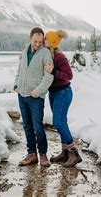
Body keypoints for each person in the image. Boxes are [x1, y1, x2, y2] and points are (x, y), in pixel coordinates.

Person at [14, 27, 54, 167]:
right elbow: (20, 70)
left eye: (40, 41)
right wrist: (16, 85)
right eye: (35, 41)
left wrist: (37, 91)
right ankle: (32, 154)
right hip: (22, 95)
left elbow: (49, 77)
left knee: (38, 126)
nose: (38, 44)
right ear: (30, 38)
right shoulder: (25, 52)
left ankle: (43, 154)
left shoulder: (45, 53)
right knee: (27, 126)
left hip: (36, 97)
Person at [43, 30, 82, 167]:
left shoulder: (59, 57)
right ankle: (65, 152)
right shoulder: (47, 54)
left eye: (45, 39)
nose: (43, 40)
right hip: (53, 93)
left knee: (58, 123)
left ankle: (74, 153)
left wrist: (52, 71)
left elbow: (69, 75)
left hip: (63, 92)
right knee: (62, 122)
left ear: (52, 42)